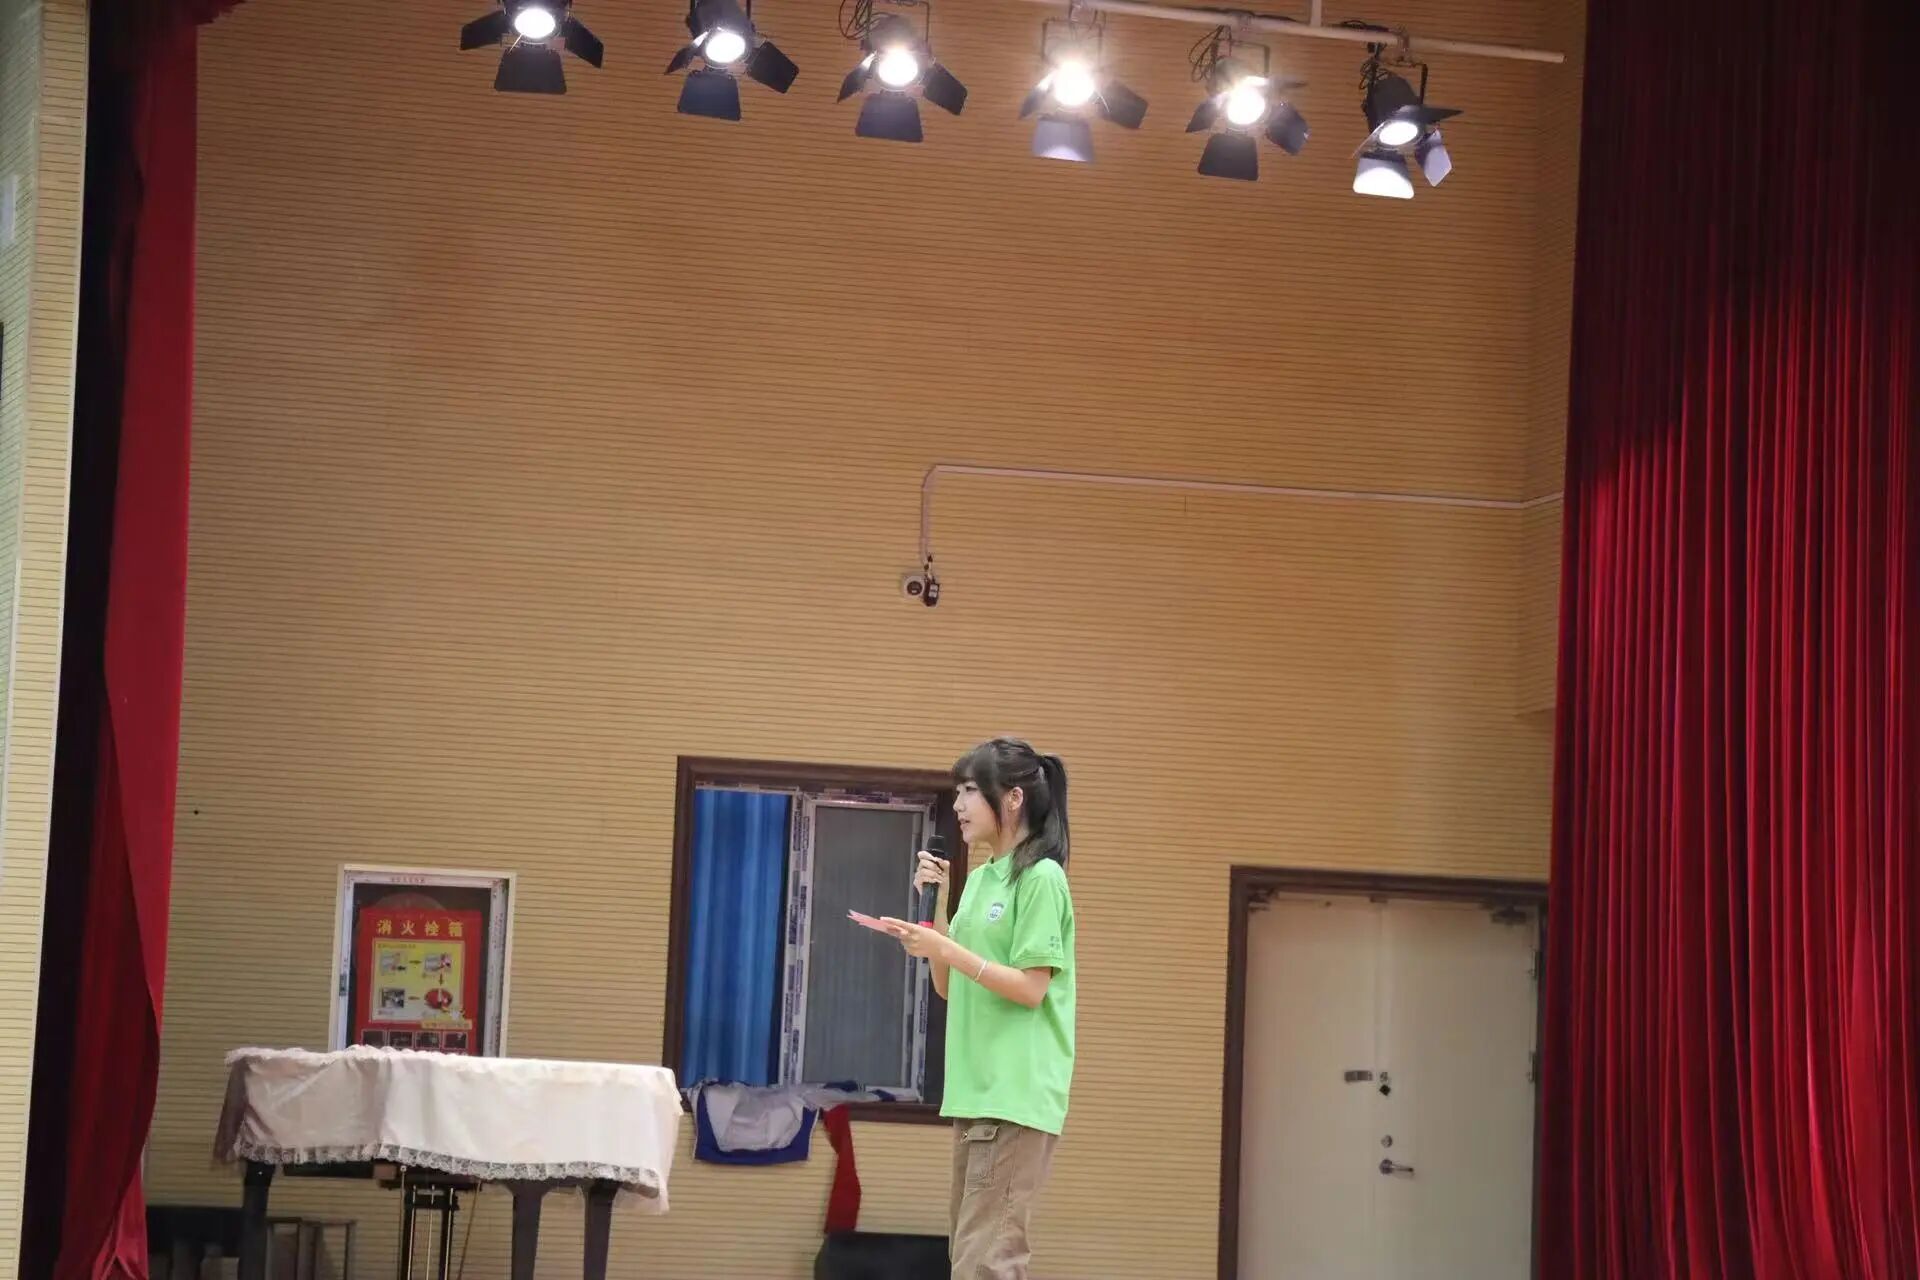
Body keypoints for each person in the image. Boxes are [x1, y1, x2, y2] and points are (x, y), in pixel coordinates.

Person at [880, 738, 1076, 1280]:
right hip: (975, 1093)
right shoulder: (983, 878)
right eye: (958, 791)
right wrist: (939, 915)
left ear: (1012, 798)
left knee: (986, 1264)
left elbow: (1032, 988)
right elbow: (949, 987)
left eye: (969, 790)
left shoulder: (1040, 878)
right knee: (970, 1259)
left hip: (1014, 1092)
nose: (959, 804)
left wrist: (947, 948)